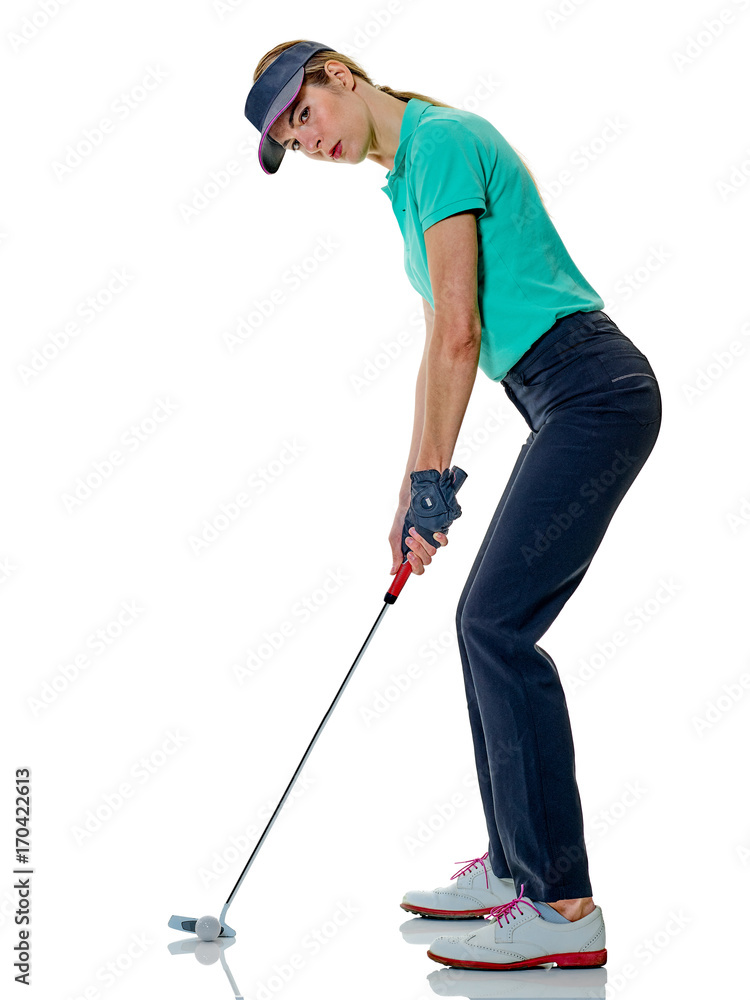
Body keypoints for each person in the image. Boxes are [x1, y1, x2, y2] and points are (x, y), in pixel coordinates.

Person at [244, 39, 661, 971]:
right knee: (487, 625)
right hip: (556, 400)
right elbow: (445, 336)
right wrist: (412, 488)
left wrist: (435, 477)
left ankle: (561, 906)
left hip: (594, 390)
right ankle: (517, 870)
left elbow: (462, 330)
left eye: (303, 115)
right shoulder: (407, 180)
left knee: (495, 625)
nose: (307, 142)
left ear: (340, 75)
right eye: (291, 141)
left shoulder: (437, 144)